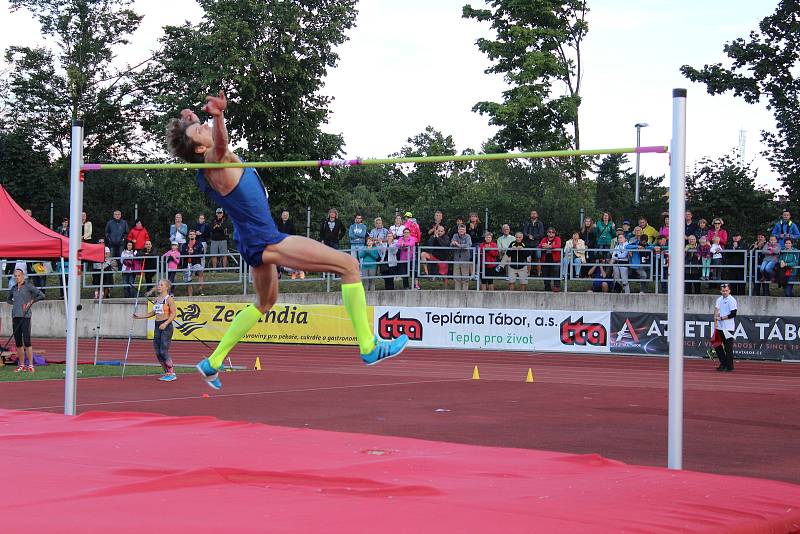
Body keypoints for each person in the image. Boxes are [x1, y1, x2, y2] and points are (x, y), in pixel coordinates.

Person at [167, 91, 407, 388]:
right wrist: (217, 116)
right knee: (348, 266)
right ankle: (368, 346)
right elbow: (221, 143)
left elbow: (211, 142)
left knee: (265, 303)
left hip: (250, 241)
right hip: (268, 240)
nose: (204, 125)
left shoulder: (208, 166)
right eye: (201, 130)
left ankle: (212, 361)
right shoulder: (215, 159)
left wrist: (187, 122)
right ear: (202, 146)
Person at [133, 279, 178, 381]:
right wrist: (139, 316)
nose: (159, 287)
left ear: (166, 287)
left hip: (166, 326)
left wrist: (165, 323)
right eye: (158, 285)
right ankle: (166, 373)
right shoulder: (157, 299)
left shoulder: (169, 299)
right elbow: (152, 313)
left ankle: (172, 373)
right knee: (157, 352)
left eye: (161, 285)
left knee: (163, 350)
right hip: (157, 325)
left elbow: (173, 314)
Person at [6, 268, 45, 372]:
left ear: (23, 276)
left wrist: (32, 301)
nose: (17, 278)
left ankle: (31, 365)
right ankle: (22, 365)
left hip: (25, 316)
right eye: (15, 276)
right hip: (15, 316)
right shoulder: (13, 288)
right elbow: (8, 299)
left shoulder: (28, 286)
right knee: (18, 342)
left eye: (19, 275)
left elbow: (42, 295)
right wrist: (15, 304)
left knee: (27, 341)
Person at [712, 284, 737, 372]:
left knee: (728, 347)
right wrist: (715, 322)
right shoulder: (719, 299)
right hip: (719, 327)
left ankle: (730, 366)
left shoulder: (732, 300)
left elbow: (733, 314)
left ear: (729, 291)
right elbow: (716, 310)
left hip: (728, 327)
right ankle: (723, 363)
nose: (725, 292)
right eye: (723, 291)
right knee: (716, 344)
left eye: (726, 290)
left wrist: (722, 318)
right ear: (720, 291)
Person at [181, 229, 205, 296]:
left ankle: (200, 289)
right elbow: (182, 254)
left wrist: (193, 252)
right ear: (188, 236)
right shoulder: (184, 245)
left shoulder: (199, 244)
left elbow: (202, 254)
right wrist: (187, 252)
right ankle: (190, 296)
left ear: (195, 235)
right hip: (187, 264)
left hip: (196, 262)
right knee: (188, 281)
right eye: (190, 234)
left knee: (200, 271)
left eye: (193, 234)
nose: (192, 235)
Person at [450, 224, 473, 290]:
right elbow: (451, 244)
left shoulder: (468, 236)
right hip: (456, 258)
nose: (461, 230)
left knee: (465, 278)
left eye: (463, 229)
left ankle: (465, 292)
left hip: (465, 259)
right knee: (456, 277)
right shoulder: (455, 235)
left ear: (465, 230)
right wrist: (453, 243)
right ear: (458, 230)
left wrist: (458, 245)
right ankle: (457, 292)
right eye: (460, 229)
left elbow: (468, 245)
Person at [539, 227, 561, 292]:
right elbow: (539, 245)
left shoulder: (557, 239)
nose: (551, 233)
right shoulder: (544, 239)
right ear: (547, 233)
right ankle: (547, 287)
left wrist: (549, 246)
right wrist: (543, 246)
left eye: (552, 232)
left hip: (555, 259)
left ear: (554, 233)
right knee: (545, 273)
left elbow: (558, 246)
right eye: (549, 232)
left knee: (556, 272)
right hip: (546, 258)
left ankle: (556, 286)